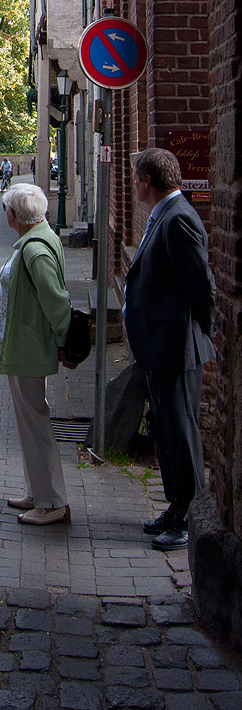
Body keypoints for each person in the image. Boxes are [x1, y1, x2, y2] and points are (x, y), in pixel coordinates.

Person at [124, 148, 215, 552]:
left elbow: (201, 286)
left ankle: (189, 517)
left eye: (136, 178)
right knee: (165, 430)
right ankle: (176, 506)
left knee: (181, 433)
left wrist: (200, 334)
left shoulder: (178, 218)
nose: (133, 184)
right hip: (159, 346)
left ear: (148, 181)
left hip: (176, 347)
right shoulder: (163, 214)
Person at [0, 185, 72, 525]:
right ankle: (37, 492)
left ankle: (52, 501)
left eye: (6, 210)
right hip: (24, 342)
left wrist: (63, 341)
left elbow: (56, 301)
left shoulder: (35, 250)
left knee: (35, 423)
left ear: (14, 215)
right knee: (29, 423)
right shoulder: (39, 237)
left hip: (29, 345)